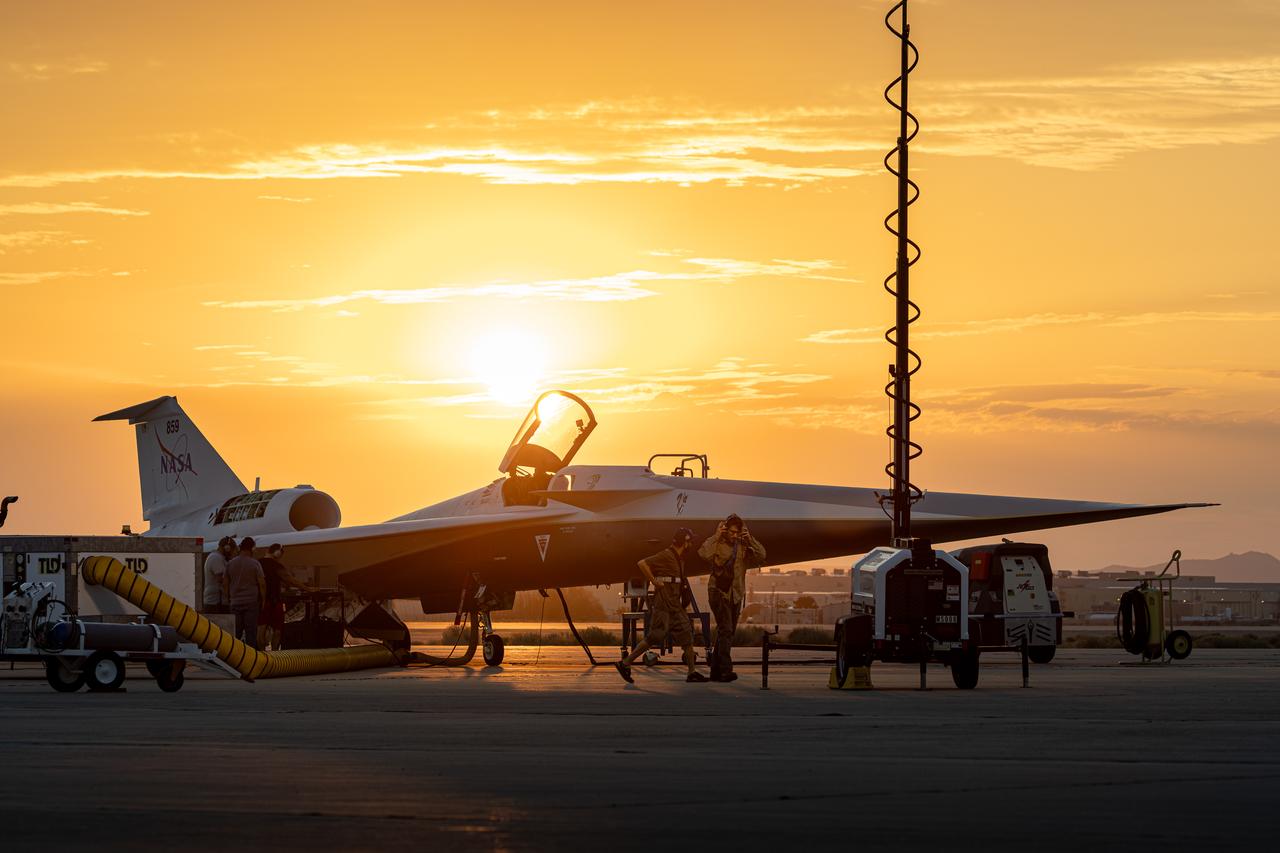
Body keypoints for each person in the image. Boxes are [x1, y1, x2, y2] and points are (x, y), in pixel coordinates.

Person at [615, 528, 709, 684]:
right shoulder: (666, 555)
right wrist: (653, 580)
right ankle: (625, 663)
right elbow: (642, 563)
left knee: (686, 634)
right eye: (689, 540)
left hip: (674, 603)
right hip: (663, 602)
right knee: (656, 635)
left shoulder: (680, 558)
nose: (691, 543)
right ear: (683, 541)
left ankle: (692, 672)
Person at [699, 513, 766, 682]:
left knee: (726, 632)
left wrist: (749, 539)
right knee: (726, 630)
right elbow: (703, 554)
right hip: (718, 592)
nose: (734, 535)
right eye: (732, 532)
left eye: (737, 532)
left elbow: (761, 556)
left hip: (736, 594)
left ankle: (715, 671)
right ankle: (725, 670)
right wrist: (716, 536)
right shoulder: (717, 543)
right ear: (725, 529)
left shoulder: (743, 545)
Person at [226, 537, 266, 650]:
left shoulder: (230, 563)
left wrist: (229, 597)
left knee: (235, 633)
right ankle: (250, 661)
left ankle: (234, 659)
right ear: (252, 548)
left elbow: (225, 583)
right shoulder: (255, 563)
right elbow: (262, 583)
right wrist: (263, 600)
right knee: (251, 633)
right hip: (251, 603)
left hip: (235, 602)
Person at [257, 543, 288, 651]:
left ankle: (261, 655)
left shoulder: (257, 563)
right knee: (278, 630)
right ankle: (275, 655)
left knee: (261, 629)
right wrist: (307, 588)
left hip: (262, 602)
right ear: (278, 553)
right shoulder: (277, 566)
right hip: (274, 601)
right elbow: (289, 579)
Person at [202, 536, 235, 613]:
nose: (232, 552)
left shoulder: (218, 557)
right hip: (215, 602)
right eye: (232, 549)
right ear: (227, 548)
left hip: (217, 602)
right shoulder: (216, 558)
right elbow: (221, 579)